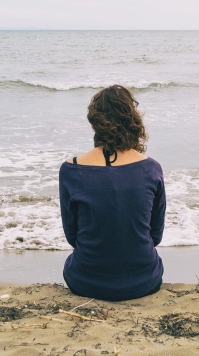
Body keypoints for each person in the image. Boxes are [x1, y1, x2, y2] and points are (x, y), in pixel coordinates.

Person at [59, 85, 166, 301]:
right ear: (133, 121)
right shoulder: (151, 169)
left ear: (92, 125)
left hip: (85, 279)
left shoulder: (71, 170)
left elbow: (72, 236)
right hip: (143, 279)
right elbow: (155, 235)